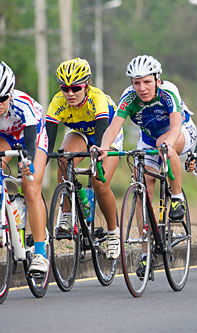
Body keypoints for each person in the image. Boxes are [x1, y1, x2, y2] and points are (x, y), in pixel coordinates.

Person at [97, 55, 197, 276]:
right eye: (136, 82)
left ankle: (177, 197)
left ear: (157, 80)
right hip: (149, 138)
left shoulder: (169, 91)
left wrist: (168, 145)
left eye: (147, 82)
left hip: (180, 132)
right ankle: (146, 253)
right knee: (142, 185)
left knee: (164, 144)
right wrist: (104, 148)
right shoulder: (128, 97)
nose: (141, 88)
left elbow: (176, 125)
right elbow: (114, 128)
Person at [46, 57, 122, 260]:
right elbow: (48, 140)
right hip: (80, 133)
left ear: (86, 85)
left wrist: (97, 158)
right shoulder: (58, 102)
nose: (70, 93)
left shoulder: (98, 98)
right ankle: (68, 214)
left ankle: (114, 233)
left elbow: (102, 135)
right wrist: (40, 161)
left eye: (76, 88)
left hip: (105, 135)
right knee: (62, 158)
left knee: (99, 181)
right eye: (65, 88)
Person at [0, 61, 49, 273]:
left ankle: (40, 253)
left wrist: (26, 162)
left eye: (2, 99)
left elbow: (29, 142)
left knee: (30, 187)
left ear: (10, 93)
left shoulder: (23, 103)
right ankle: (8, 209)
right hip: (4, 136)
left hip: (31, 135)